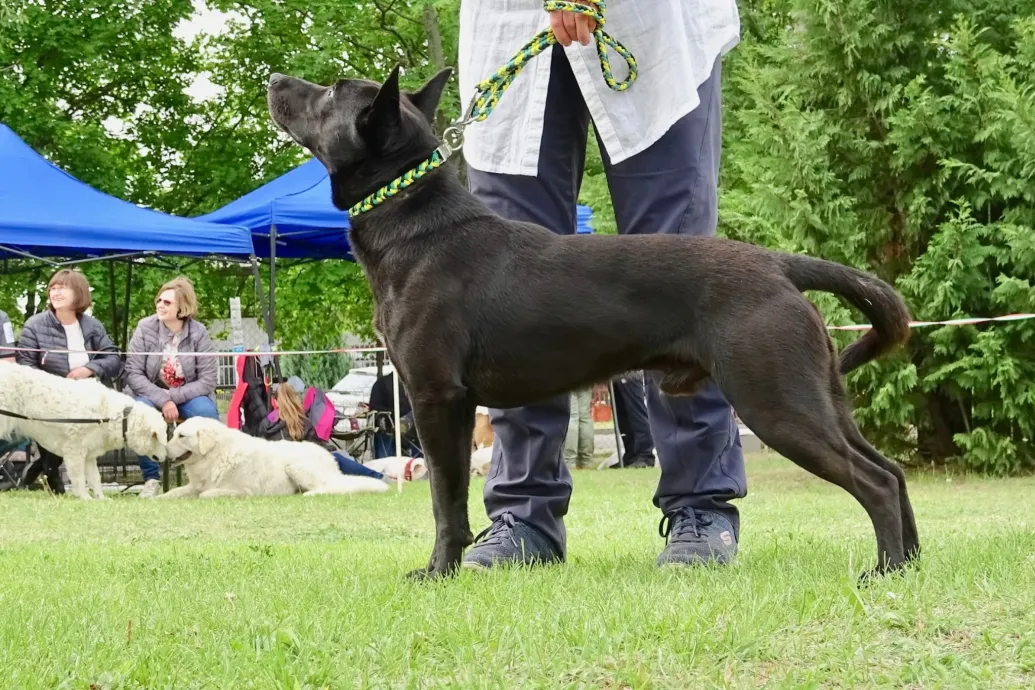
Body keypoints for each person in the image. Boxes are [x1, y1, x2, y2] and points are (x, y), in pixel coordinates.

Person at [458, 0, 746, 569]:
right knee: (508, 292)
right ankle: (524, 513)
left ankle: (700, 503)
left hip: (655, 22)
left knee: (680, 277)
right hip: (506, 26)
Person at [15, 269, 123, 493]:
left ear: (79, 293)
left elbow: (113, 359)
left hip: (88, 397)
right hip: (49, 396)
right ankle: (51, 473)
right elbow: (25, 366)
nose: (56, 292)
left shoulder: (93, 326)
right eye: (53, 288)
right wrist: (55, 387)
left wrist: (89, 369)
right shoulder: (34, 325)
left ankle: (43, 469)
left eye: (62, 288)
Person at [124, 276, 220, 498]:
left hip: (188, 392)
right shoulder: (145, 327)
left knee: (206, 414)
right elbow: (133, 373)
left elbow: (207, 380)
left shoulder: (199, 332)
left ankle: (207, 478)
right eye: (159, 300)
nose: (160, 304)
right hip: (151, 392)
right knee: (140, 414)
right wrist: (163, 399)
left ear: (182, 307)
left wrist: (174, 396)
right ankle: (151, 479)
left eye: (167, 302)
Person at [259, 376, 387, 481]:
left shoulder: (265, 425)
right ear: (295, 398)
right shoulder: (301, 421)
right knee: (338, 457)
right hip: (303, 466)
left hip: (278, 469)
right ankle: (379, 477)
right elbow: (319, 448)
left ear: (274, 401)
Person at [563, 386, 594, 469]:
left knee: (572, 416)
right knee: (585, 417)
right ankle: (586, 461)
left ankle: (569, 462)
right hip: (586, 376)